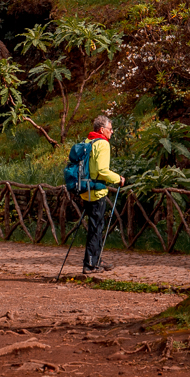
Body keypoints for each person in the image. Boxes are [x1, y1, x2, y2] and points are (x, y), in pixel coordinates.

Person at [79, 114, 124, 274]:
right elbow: (102, 171)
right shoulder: (103, 145)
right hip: (97, 192)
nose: (112, 132)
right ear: (102, 129)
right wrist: (118, 179)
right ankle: (90, 264)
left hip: (85, 191)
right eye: (110, 129)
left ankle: (96, 259)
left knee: (94, 226)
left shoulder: (87, 142)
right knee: (96, 227)